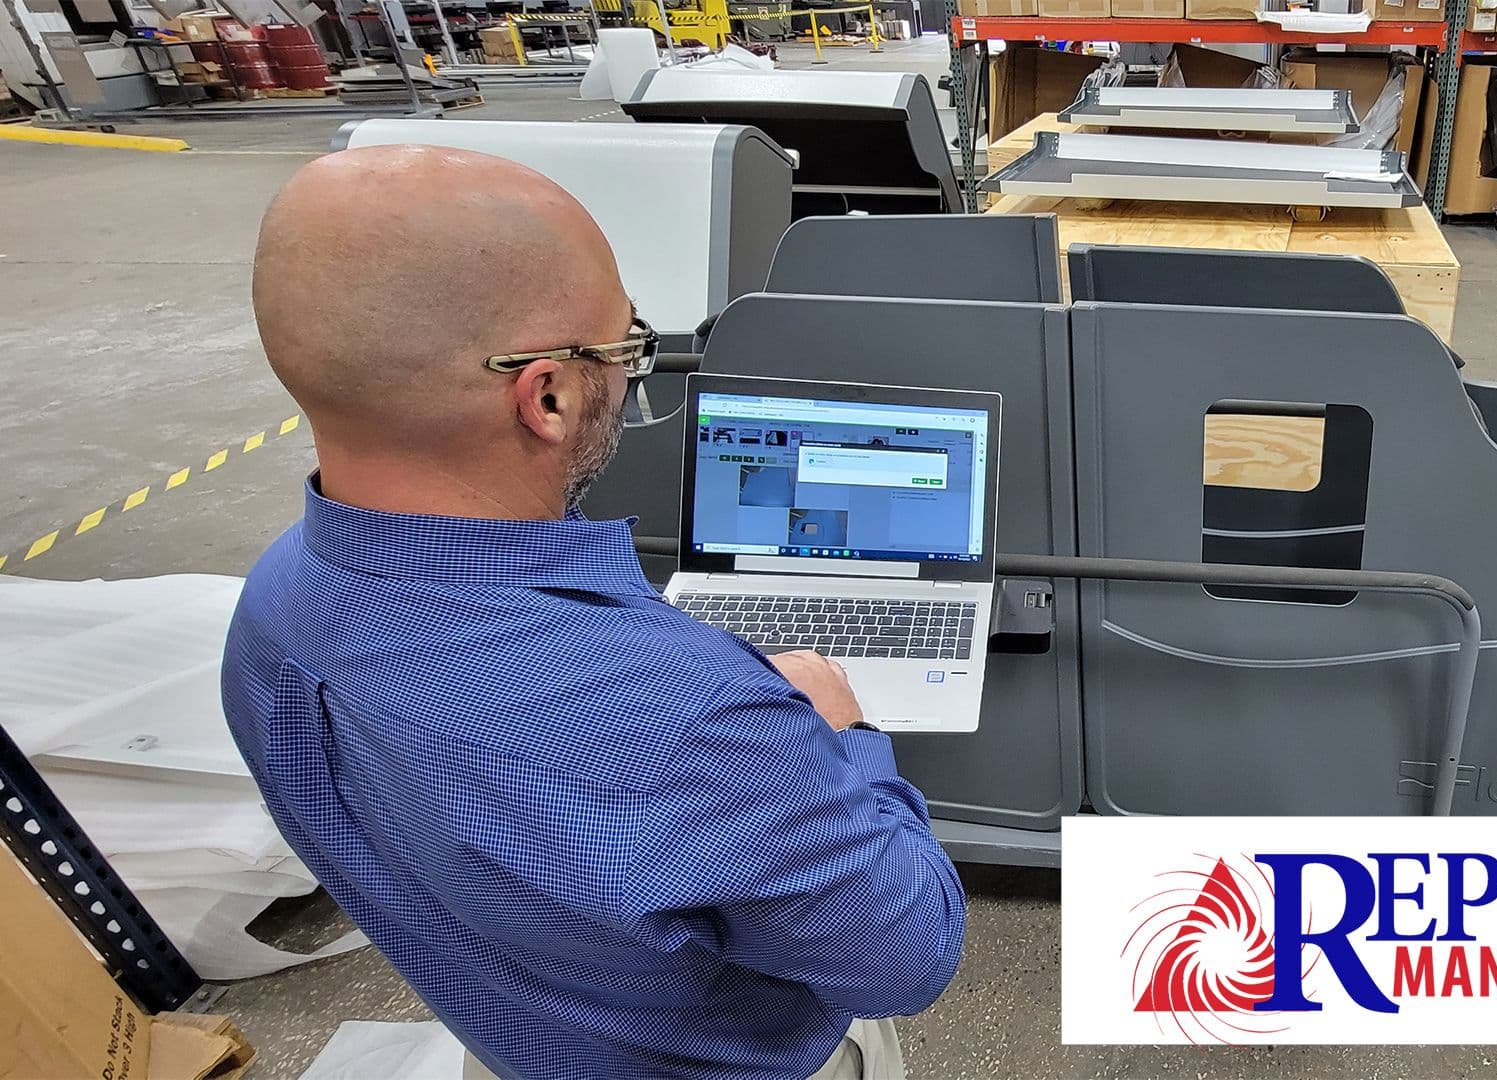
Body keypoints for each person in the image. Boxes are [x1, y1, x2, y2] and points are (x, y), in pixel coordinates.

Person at [222, 144, 967, 1079]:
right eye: (626, 348)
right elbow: (910, 956)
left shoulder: (270, 609)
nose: (630, 369)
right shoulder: (692, 724)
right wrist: (838, 730)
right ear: (548, 393)